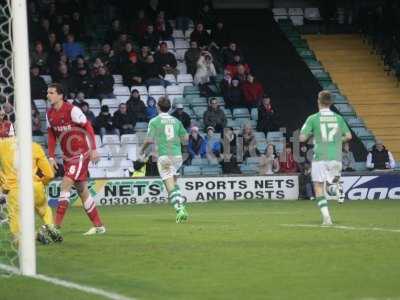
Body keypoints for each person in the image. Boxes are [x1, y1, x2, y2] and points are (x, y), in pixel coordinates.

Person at [46, 83, 105, 235]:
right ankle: (99, 226)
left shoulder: (72, 110)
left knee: (64, 185)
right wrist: (51, 157)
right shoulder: (49, 113)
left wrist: (93, 149)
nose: (48, 95)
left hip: (80, 153)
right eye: (48, 93)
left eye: (52, 93)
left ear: (60, 95)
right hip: (67, 156)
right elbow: (52, 136)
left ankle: (55, 226)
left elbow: (89, 127)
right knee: (82, 190)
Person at [299, 91, 352, 225]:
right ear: (331, 102)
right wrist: (337, 140)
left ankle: (327, 218)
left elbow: (301, 138)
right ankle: (335, 188)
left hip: (320, 156)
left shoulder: (313, 118)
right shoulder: (338, 118)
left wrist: (312, 133)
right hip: (336, 156)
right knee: (329, 183)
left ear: (319, 101)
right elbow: (349, 136)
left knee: (318, 186)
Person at [0, 137, 63, 244]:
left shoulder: (3, 145)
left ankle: (36, 235)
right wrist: (42, 182)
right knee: (45, 210)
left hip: (15, 190)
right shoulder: (35, 146)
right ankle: (50, 226)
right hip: (34, 186)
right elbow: (49, 174)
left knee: (17, 235)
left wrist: (3, 184)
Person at [139, 97, 189, 223]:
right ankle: (180, 205)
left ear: (157, 107)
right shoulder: (176, 121)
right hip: (177, 157)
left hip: (165, 157)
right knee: (173, 183)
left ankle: (180, 209)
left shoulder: (154, 121)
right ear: (170, 108)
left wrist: (141, 151)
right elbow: (186, 139)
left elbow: (149, 140)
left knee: (169, 187)